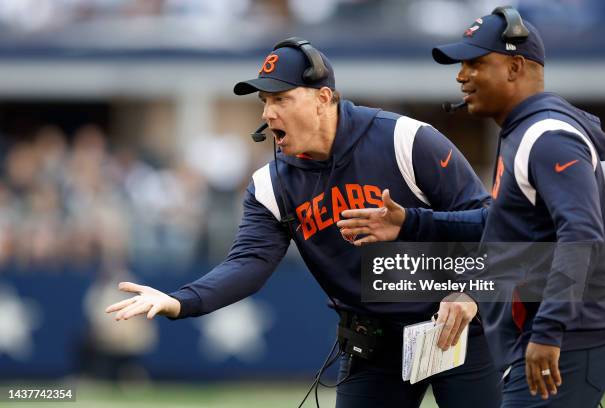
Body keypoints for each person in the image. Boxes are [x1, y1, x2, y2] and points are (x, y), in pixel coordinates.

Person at [105, 37, 502, 407]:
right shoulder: (271, 185)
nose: (267, 112)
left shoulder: (406, 140)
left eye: (280, 98)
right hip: (373, 341)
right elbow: (248, 263)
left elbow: (493, 223)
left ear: (322, 98)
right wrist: (181, 300)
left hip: (457, 328)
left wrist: (470, 293)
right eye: (264, 100)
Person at [337, 7, 605, 408]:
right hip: (554, 334)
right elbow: (502, 225)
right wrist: (411, 222)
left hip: (567, 336)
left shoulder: (547, 136)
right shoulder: (526, 130)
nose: (461, 76)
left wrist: (549, 332)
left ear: (516, 66)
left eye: (475, 63)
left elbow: (582, 235)